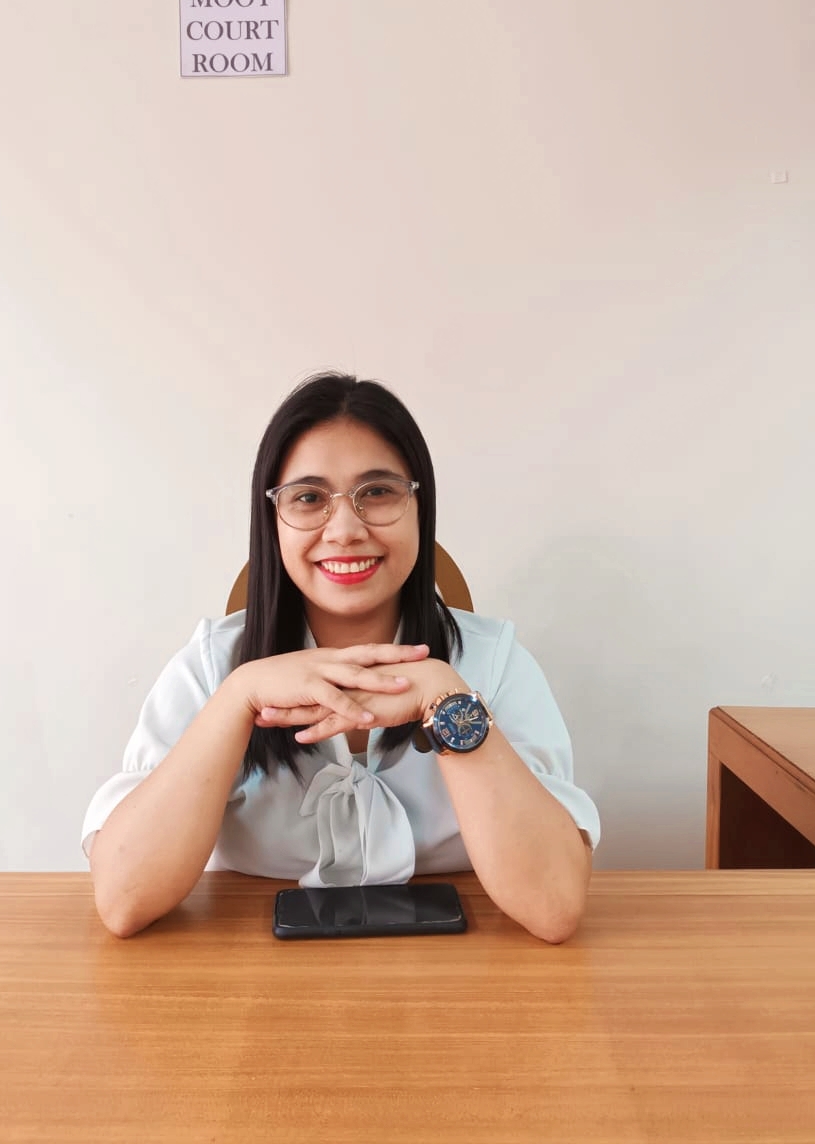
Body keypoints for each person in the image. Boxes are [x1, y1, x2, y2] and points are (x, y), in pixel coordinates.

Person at [83, 373, 600, 941]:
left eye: (377, 492)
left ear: (419, 507)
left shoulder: (495, 660)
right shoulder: (211, 665)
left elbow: (553, 907)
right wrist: (239, 695)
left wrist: (446, 700)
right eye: (308, 498)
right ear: (271, 520)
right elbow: (124, 900)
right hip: (248, 979)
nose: (346, 529)